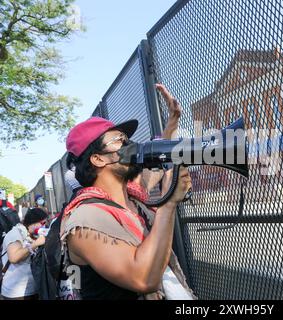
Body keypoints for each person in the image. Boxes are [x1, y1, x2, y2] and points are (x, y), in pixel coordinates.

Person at [60, 85, 195, 300]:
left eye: (127, 139)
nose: (129, 145)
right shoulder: (84, 220)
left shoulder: (133, 195)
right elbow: (143, 279)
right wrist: (168, 203)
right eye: (119, 141)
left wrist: (173, 121)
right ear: (98, 158)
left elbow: (158, 163)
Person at [1, 208, 47, 300]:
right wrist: (36, 244)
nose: (44, 227)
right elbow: (14, 257)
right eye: (42, 223)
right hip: (16, 294)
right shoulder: (15, 233)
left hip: (34, 290)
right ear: (32, 221)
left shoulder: (32, 236)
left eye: (45, 223)